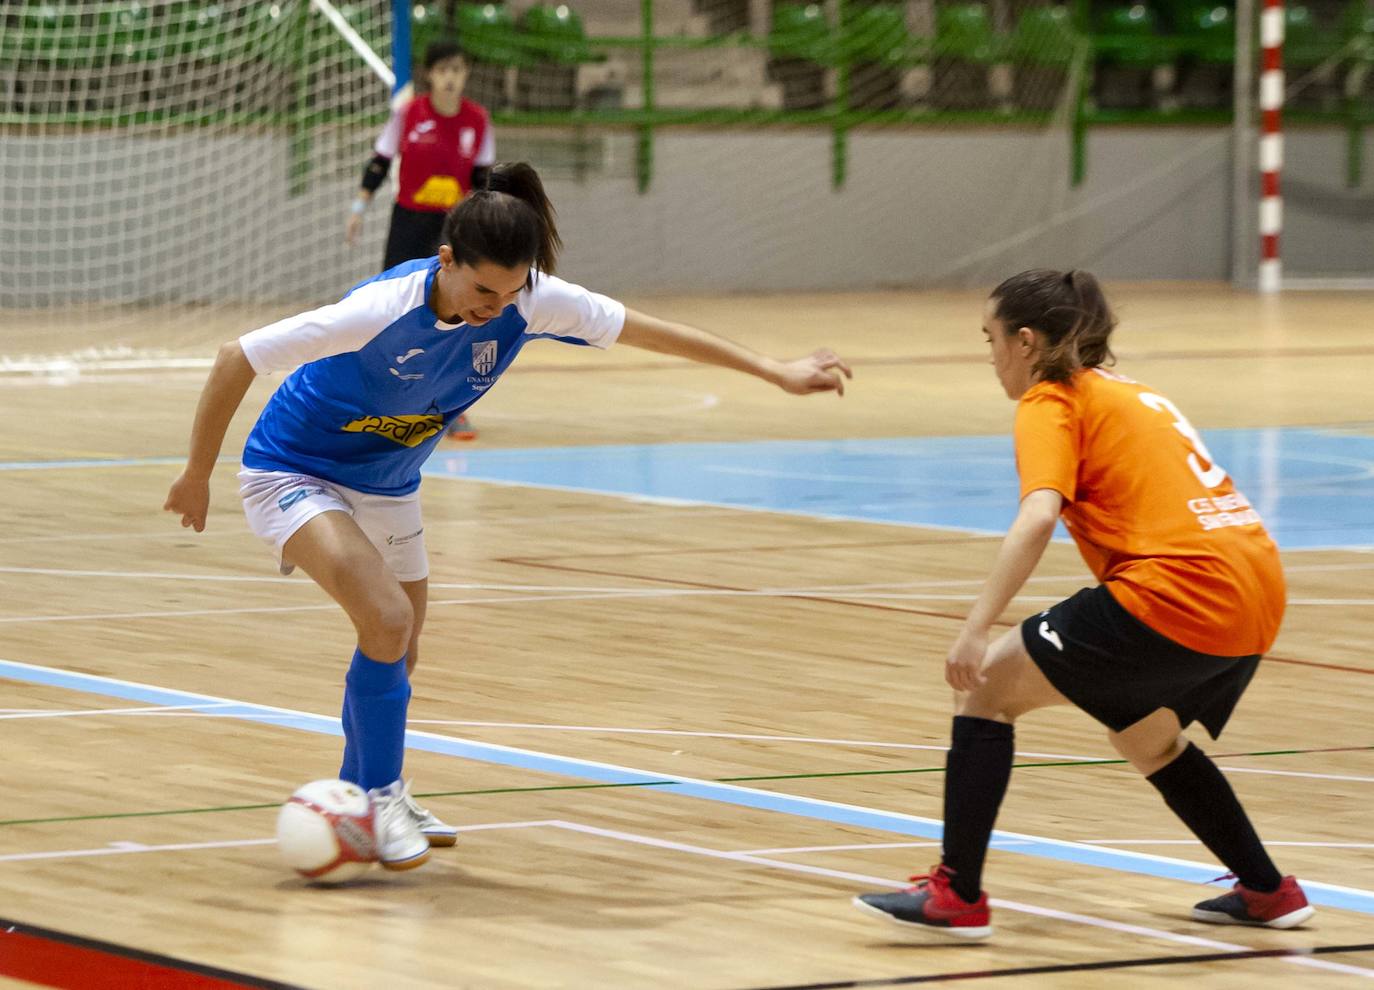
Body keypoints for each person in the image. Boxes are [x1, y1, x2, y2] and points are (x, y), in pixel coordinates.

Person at [164, 162, 852, 872]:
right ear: (447, 261)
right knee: (388, 618)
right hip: (294, 469)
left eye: (511, 289)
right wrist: (195, 474)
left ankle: (359, 801)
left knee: (398, 641)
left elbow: (655, 332)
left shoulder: (532, 301)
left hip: (390, 480)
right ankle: (382, 794)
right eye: (481, 289)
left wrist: (775, 369)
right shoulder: (379, 309)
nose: (495, 305)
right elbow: (235, 356)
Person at [853, 269, 1312, 938]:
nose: (991, 355)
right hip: (1257, 589)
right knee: (1147, 738)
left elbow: (1038, 517)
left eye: (992, 339)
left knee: (983, 690)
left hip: (1181, 589)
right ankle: (1269, 891)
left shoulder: (1050, 401)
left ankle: (957, 895)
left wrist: (975, 628)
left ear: (1027, 342)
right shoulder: (1134, 393)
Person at [346, 37, 493, 442]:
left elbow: (483, 182)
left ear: (466, 74)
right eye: (442, 69)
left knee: (459, 316)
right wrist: (359, 208)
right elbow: (379, 162)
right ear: (430, 74)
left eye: (457, 69)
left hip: (455, 227)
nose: (450, 78)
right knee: (394, 308)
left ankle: (452, 407)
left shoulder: (477, 120)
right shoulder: (409, 114)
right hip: (409, 222)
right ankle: (380, 400)